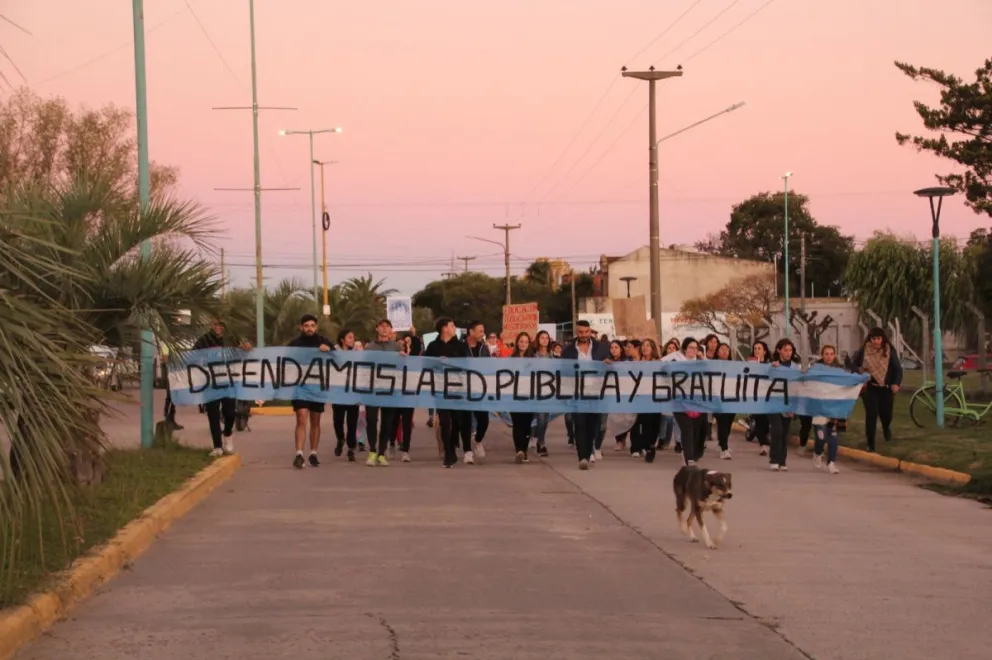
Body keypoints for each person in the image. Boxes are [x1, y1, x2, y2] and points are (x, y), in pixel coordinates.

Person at [194, 318, 251, 457]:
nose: (218, 327)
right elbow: (192, 356)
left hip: (228, 383)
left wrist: (247, 346)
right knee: (213, 415)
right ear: (211, 324)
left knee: (230, 413)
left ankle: (228, 433)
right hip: (210, 383)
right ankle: (217, 446)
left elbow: (247, 347)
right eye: (215, 324)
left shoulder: (231, 338)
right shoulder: (203, 340)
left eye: (221, 324)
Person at [560, 320, 611, 470]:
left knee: (592, 425)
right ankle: (582, 456)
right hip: (577, 393)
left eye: (586, 332)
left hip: (596, 392)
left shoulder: (601, 349)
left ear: (590, 332)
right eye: (581, 332)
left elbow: (610, 367)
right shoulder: (569, 351)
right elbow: (563, 371)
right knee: (580, 424)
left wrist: (609, 363)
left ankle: (589, 452)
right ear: (577, 332)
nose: (584, 335)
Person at [287, 314, 333, 469]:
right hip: (300, 386)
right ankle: (299, 453)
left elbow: (338, 358)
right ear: (301, 327)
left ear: (316, 327)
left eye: (312, 325)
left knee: (315, 420)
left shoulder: (324, 341)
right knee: (301, 418)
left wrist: (329, 350)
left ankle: (313, 453)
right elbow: (285, 361)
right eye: (306, 326)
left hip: (317, 386)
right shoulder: (294, 344)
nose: (309, 328)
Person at [425, 317, 470, 468]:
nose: (454, 328)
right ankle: (448, 454)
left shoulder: (460, 346)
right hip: (440, 389)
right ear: (444, 328)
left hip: (457, 389)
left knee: (456, 421)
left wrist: (450, 362)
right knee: (444, 422)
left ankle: (453, 447)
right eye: (452, 325)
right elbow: (425, 364)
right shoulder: (432, 346)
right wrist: (437, 362)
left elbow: (467, 364)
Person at [850, 327, 903, 452]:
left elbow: (898, 369)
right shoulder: (864, 350)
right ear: (870, 339)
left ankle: (886, 428)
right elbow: (854, 365)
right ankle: (870, 443)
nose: (876, 341)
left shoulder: (889, 350)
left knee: (886, 414)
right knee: (871, 414)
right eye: (873, 339)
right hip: (870, 387)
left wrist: (896, 383)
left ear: (882, 339)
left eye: (878, 338)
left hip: (886, 387)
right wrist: (859, 371)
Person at [364, 318, 403, 466]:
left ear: (391, 330)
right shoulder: (370, 347)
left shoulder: (397, 347)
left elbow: (403, 368)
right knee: (372, 420)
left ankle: (382, 453)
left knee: (387, 422)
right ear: (377, 329)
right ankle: (372, 451)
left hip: (390, 390)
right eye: (382, 326)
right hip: (373, 389)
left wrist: (404, 359)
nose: (385, 329)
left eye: (388, 327)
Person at [664, 337, 708, 466]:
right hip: (679, 402)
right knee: (687, 429)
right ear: (684, 349)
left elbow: (713, 370)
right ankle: (689, 458)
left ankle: (694, 453)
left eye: (696, 348)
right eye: (690, 347)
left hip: (698, 402)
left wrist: (702, 357)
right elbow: (659, 366)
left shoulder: (701, 363)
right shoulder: (675, 360)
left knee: (700, 430)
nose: (693, 350)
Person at [812, 344, 846, 474]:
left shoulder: (840, 370)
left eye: (832, 354)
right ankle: (817, 452)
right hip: (819, 408)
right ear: (822, 355)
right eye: (826, 354)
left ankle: (831, 462)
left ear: (835, 355)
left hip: (834, 409)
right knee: (821, 437)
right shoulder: (816, 369)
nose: (829, 356)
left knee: (833, 437)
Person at [461, 320, 491, 459]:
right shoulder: (460, 347)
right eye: (480, 331)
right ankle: (467, 451)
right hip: (464, 389)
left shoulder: (484, 348)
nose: (482, 333)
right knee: (466, 420)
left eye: (483, 330)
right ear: (471, 332)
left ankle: (477, 440)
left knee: (484, 420)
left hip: (480, 389)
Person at [768, 338, 800, 471]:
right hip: (773, 403)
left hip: (788, 404)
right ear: (778, 350)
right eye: (785, 350)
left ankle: (782, 461)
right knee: (777, 430)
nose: (788, 353)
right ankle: (774, 458)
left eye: (790, 350)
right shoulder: (773, 365)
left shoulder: (795, 367)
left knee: (784, 433)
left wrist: (794, 407)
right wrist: (771, 369)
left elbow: (797, 387)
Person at [332, 329, 359, 462]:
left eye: (353, 337)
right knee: (338, 420)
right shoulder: (334, 353)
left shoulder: (357, 353)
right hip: (338, 393)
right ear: (342, 339)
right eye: (349, 337)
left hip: (352, 393)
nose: (352, 340)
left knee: (352, 422)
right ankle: (340, 438)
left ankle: (351, 448)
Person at [508, 331, 536, 463]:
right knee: (517, 423)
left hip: (529, 396)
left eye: (526, 342)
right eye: (521, 341)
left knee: (526, 424)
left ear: (529, 344)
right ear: (517, 343)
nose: (523, 344)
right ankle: (518, 449)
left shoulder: (534, 359)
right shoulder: (511, 359)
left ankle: (524, 450)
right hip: (515, 396)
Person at [531, 330, 554, 457]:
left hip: (548, 391)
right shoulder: (534, 356)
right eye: (542, 337)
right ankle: (541, 442)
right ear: (538, 339)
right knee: (540, 417)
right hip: (536, 390)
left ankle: (540, 438)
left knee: (545, 419)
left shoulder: (552, 357)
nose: (545, 340)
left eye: (547, 338)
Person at [713, 342, 735, 460]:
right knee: (722, 422)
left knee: (728, 423)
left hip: (732, 399)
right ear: (717, 352)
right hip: (717, 399)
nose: (725, 351)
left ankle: (723, 442)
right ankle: (724, 448)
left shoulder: (734, 366)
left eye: (727, 349)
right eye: (722, 349)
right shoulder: (712, 365)